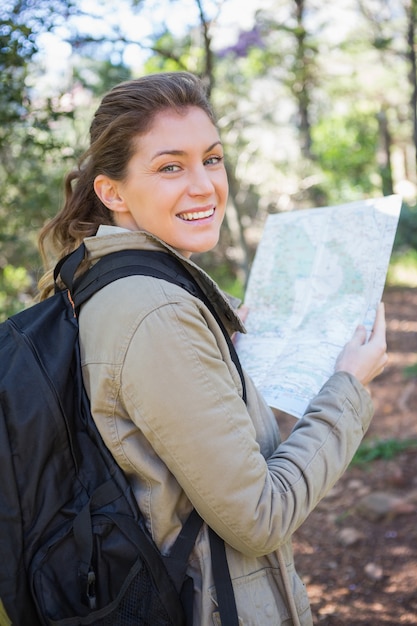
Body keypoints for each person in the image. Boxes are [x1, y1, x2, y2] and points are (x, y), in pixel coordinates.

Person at [38, 71, 388, 626]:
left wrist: (224, 355)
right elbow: (260, 518)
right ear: (113, 191)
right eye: (170, 166)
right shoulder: (156, 310)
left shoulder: (111, 283)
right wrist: (347, 387)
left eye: (213, 158)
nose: (204, 185)